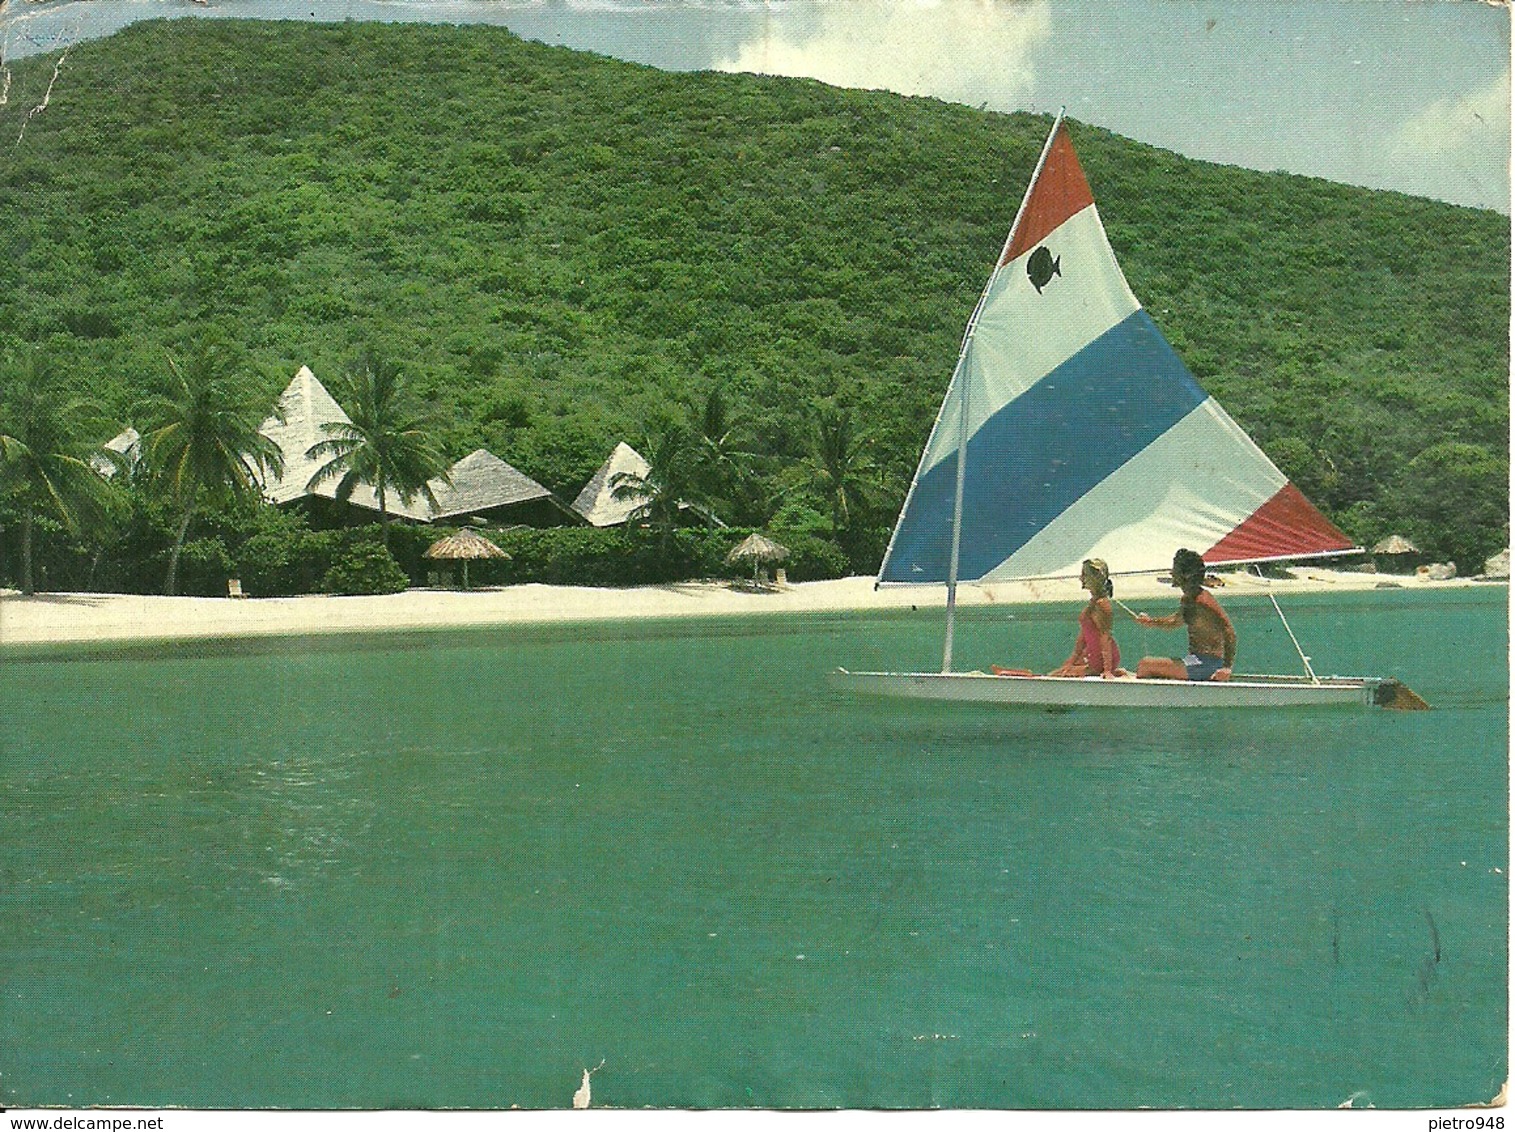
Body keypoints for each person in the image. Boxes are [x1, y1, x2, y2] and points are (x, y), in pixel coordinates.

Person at [1134, 548, 1235, 681]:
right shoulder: (1188, 599)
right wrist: (1150, 621)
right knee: (1148, 666)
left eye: (1175, 569)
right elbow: (1174, 621)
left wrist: (1227, 668)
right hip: (1194, 661)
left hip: (1208, 665)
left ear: (1185, 574)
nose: (1172, 573)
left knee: (1145, 664)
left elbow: (1229, 631)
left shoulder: (1202, 601)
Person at [1048, 558, 1126, 679]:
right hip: (1093, 657)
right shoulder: (1093, 602)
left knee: (1056, 675)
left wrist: (1107, 670)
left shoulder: (1101, 604)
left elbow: (1105, 637)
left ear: (1094, 578)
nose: (1081, 578)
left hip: (1101, 660)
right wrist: (1071, 661)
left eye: (1084, 575)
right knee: (1060, 672)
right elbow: (1084, 635)